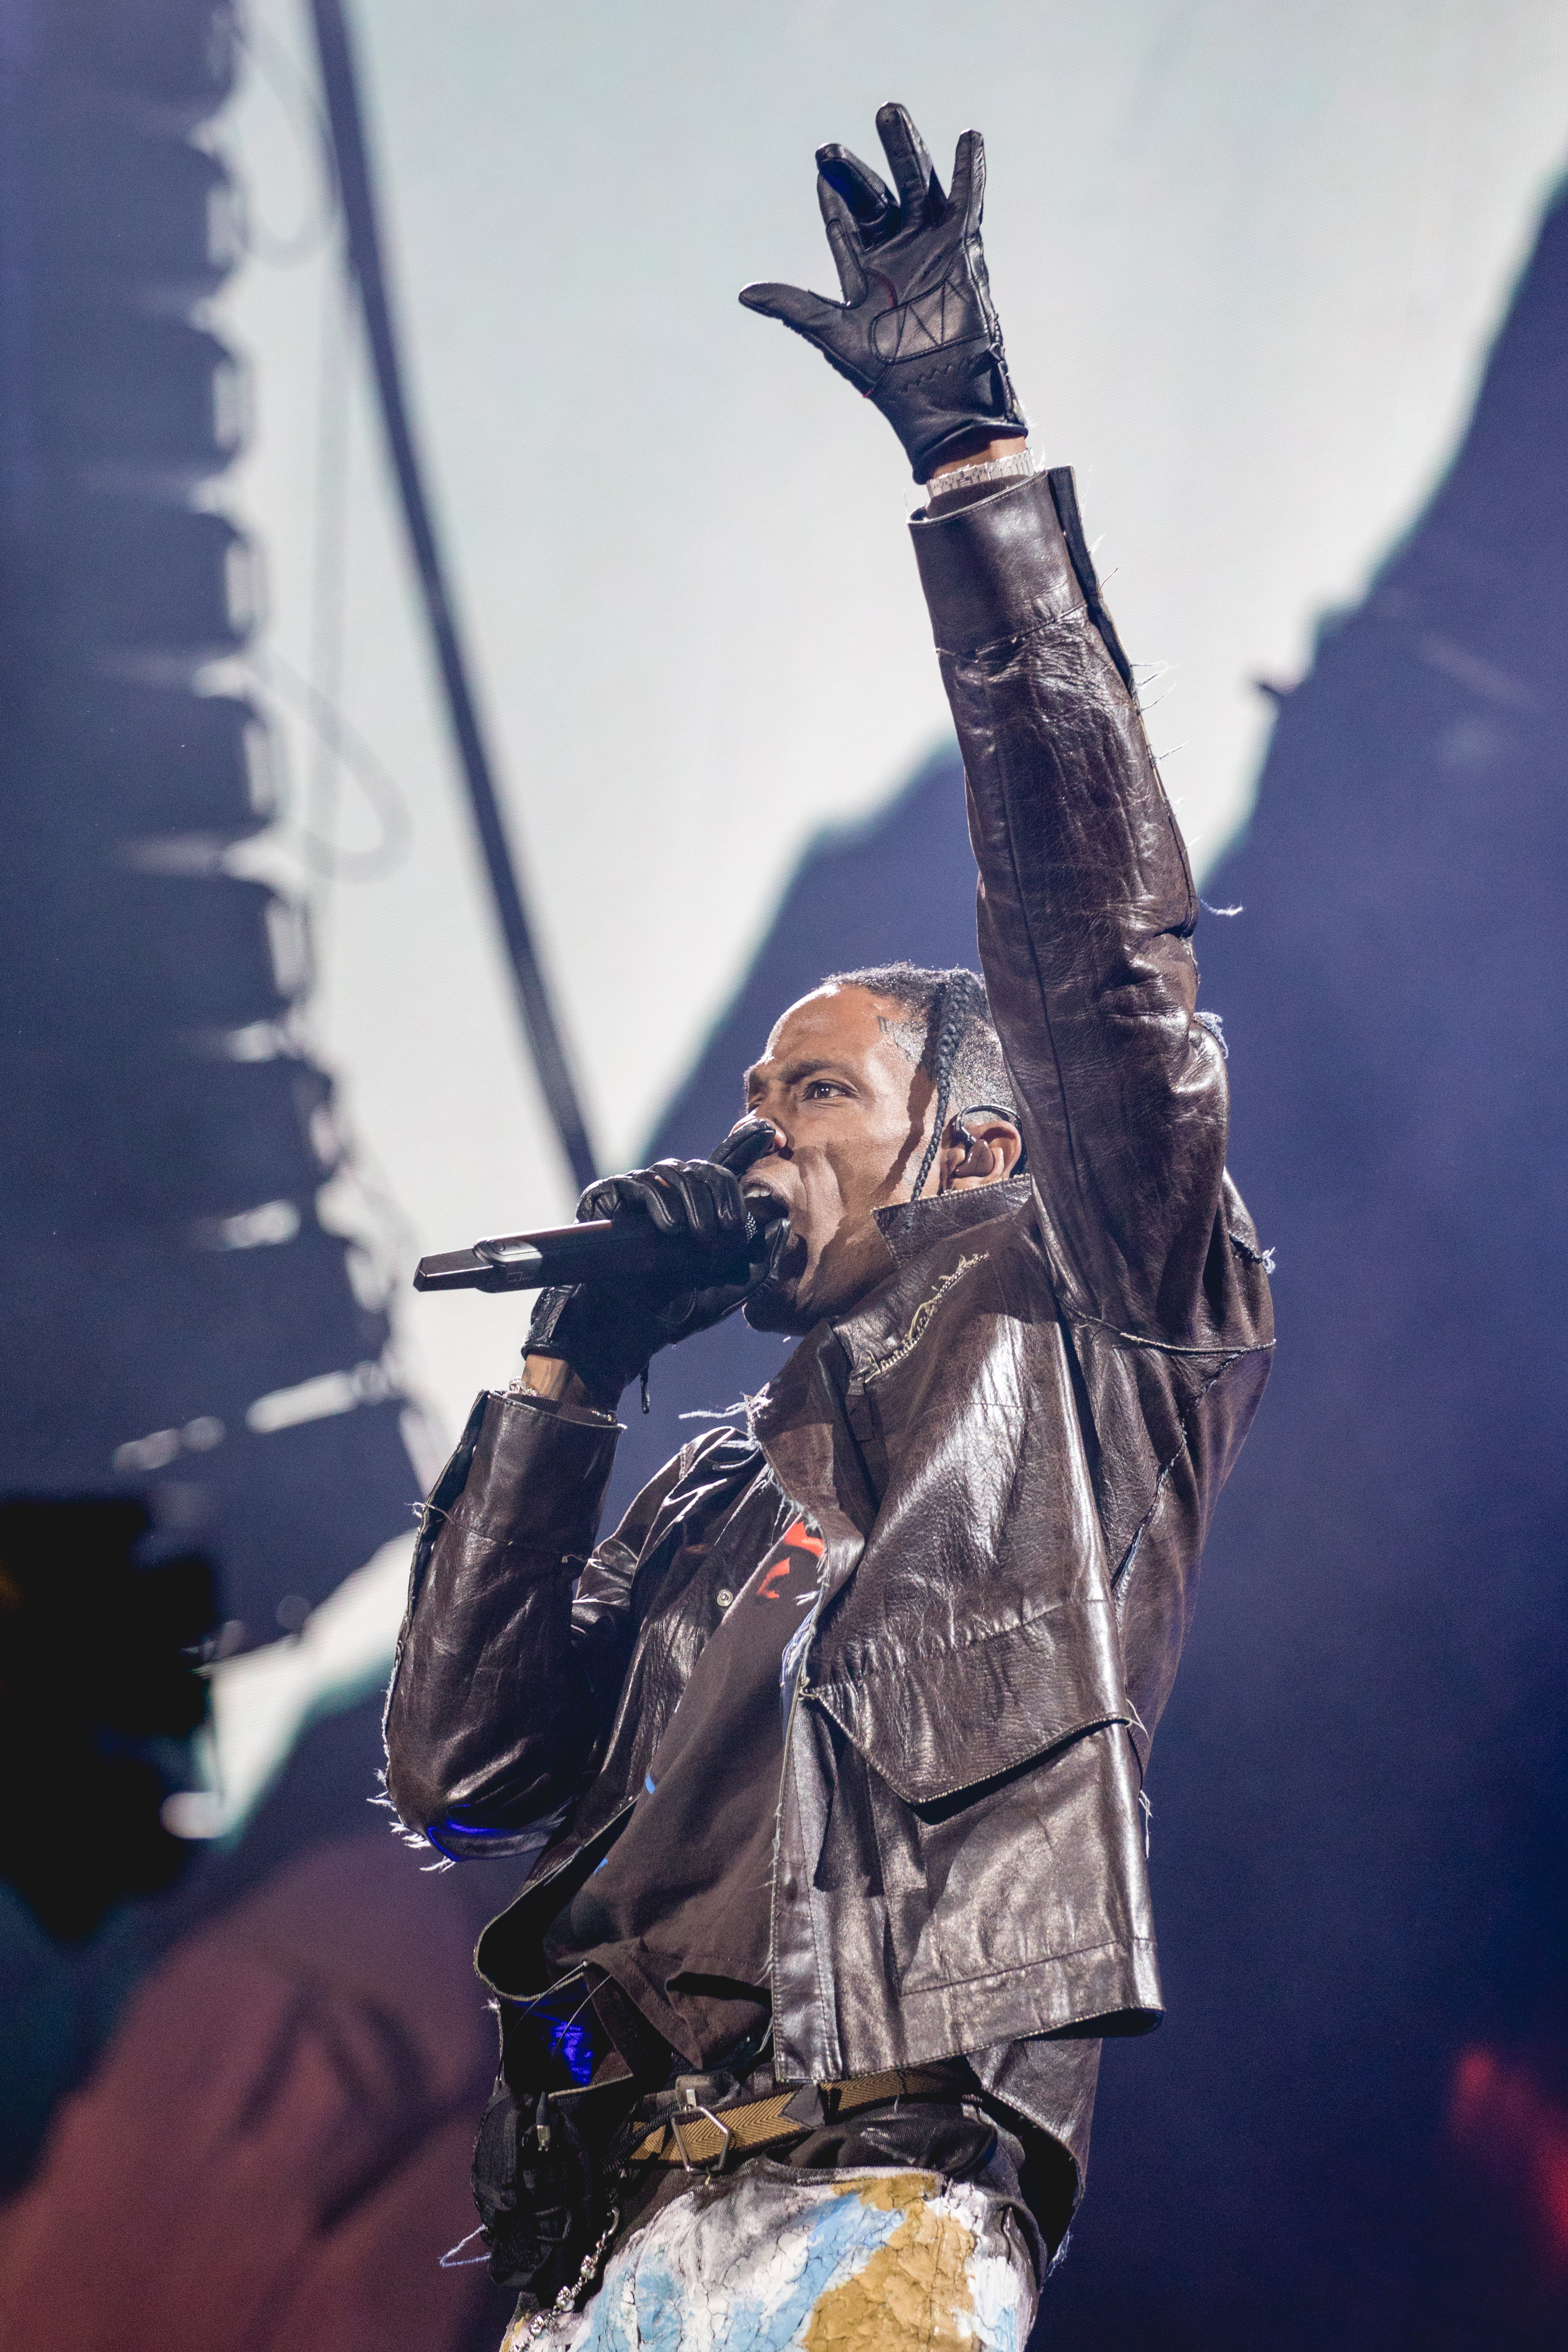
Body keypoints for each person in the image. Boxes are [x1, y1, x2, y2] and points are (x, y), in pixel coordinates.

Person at [385, 102, 1274, 2352]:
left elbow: (1101, 962)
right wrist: (576, 1372)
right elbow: (463, 1771)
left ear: (974, 1151)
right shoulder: (710, 1494)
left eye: (812, 1091)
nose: (754, 1132)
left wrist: (975, 466)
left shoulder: (1097, 1329)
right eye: (752, 1096)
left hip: (870, 2217)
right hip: (609, 2250)